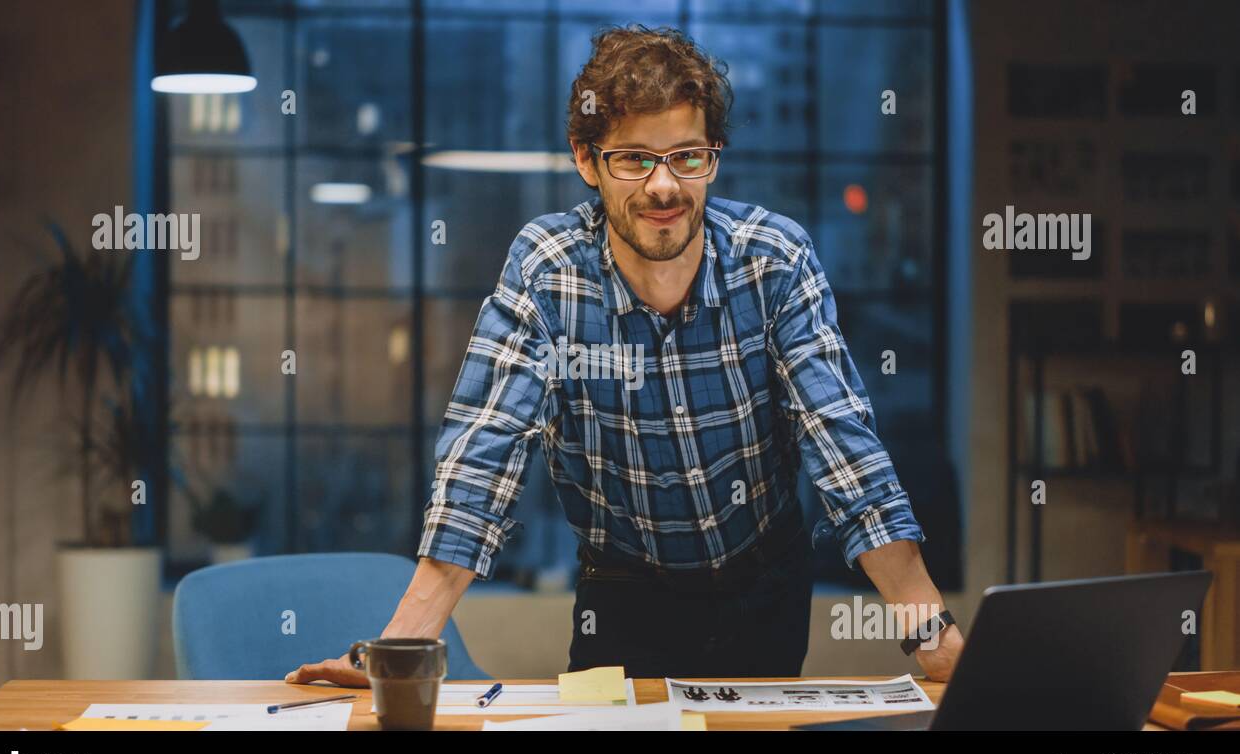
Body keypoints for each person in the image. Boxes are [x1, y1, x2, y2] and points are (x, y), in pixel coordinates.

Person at [287, 24, 962, 686]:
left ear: (713, 158)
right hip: (623, 589)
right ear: (587, 160)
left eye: (686, 156)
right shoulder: (548, 273)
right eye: (635, 158)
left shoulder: (774, 261)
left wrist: (931, 636)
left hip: (764, 580)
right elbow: (481, 460)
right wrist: (401, 647)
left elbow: (846, 454)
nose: (664, 187)